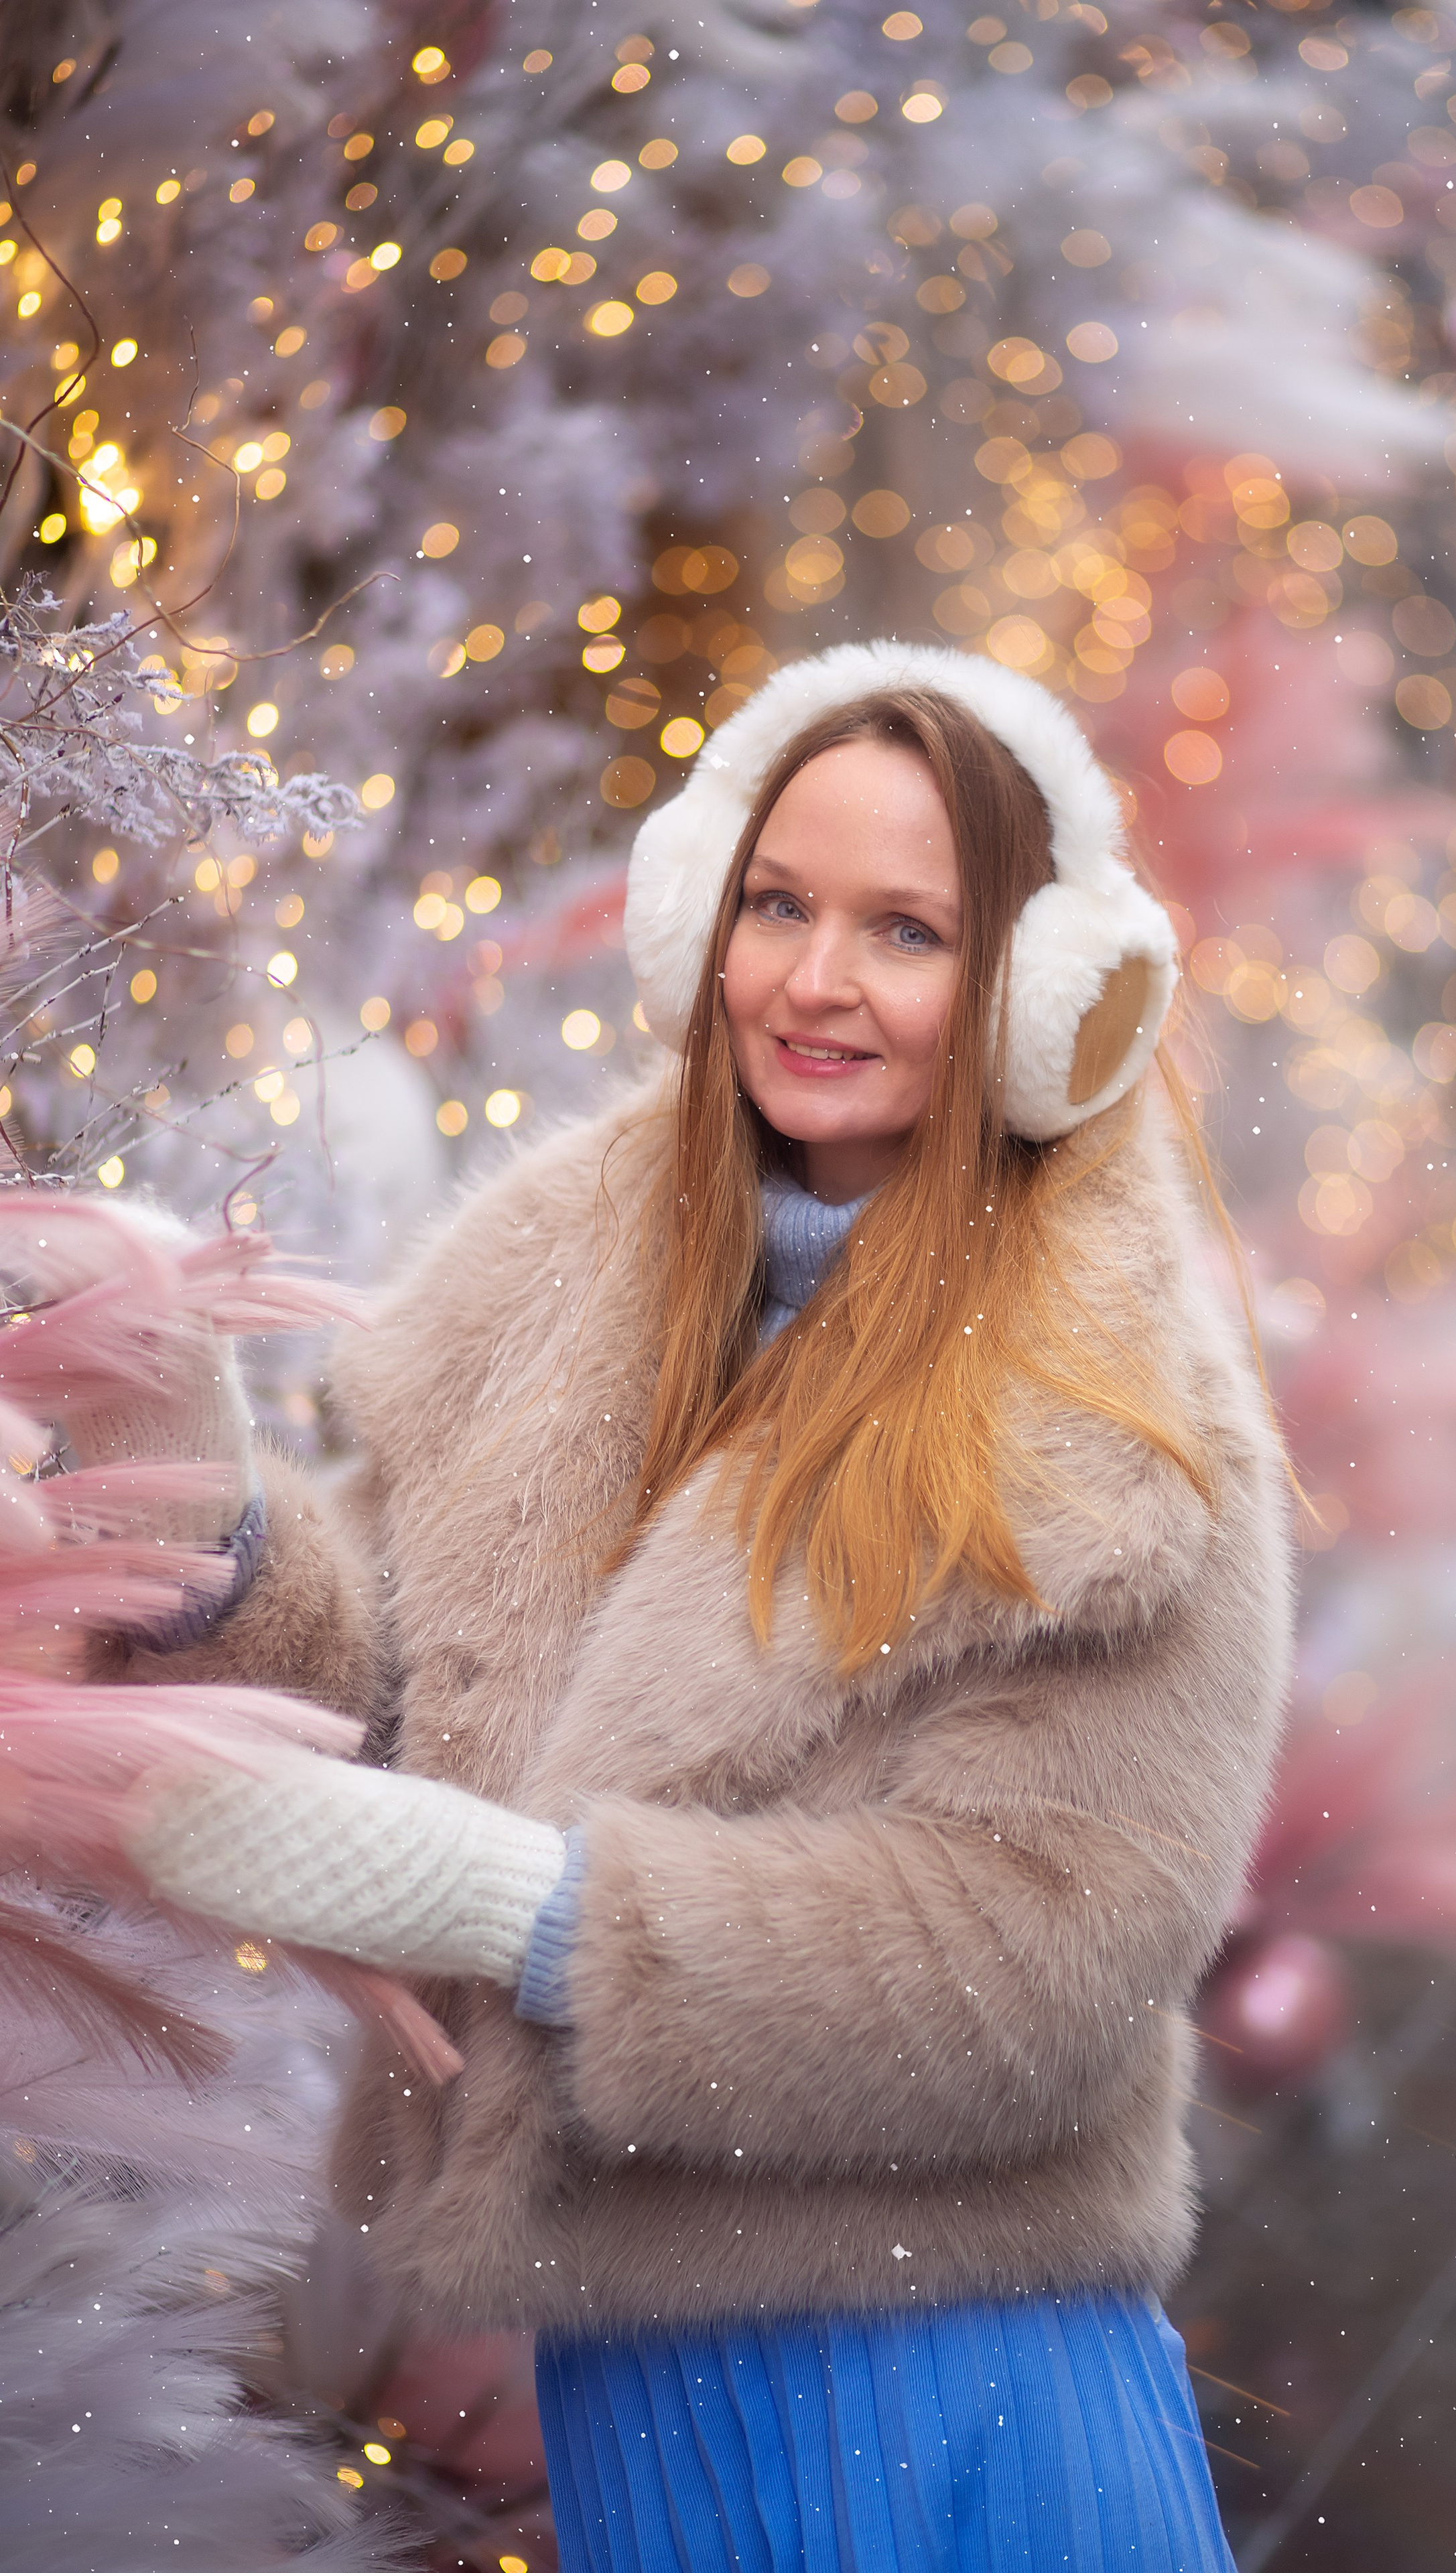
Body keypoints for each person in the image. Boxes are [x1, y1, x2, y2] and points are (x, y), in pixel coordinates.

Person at [115, 641, 1293, 2570]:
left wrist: (551, 1916)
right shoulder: (575, 1275)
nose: (815, 980)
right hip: (632, 2359)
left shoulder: (1112, 1420)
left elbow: (1056, 1960)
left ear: (1038, 999)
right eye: (777, 902)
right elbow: (415, 1672)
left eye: (905, 932)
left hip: (940, 2359)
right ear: (697, 913)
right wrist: (201, 1512)